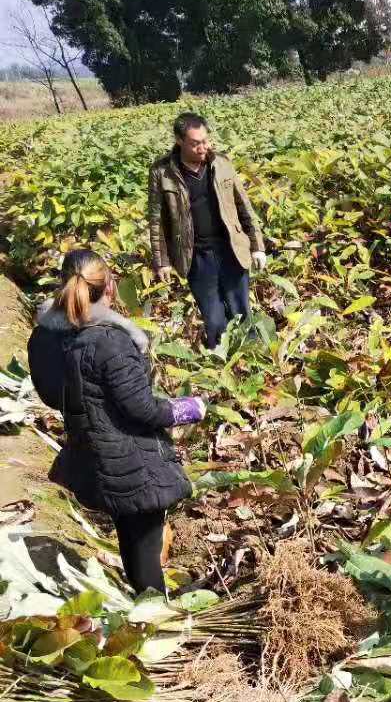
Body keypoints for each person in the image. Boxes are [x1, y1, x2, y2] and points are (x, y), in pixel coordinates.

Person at [38, 249, 205, 596]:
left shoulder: (44, 338)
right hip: (130, 457)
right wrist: (188, 408)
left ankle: (145, 605)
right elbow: (142, 409)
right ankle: (153, 616)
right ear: (109, 287)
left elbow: (53, 396)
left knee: (129, 532)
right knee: (144, 540)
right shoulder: (110, 341)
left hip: (93, 454)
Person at [148, 112, 267, 349]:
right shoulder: (162, 173)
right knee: (213, 319)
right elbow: (156, 221)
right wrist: (162, 262)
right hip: (196, 257)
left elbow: (244, 207)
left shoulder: (221, 163)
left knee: (242, 310)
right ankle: (221, 364)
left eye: (205, 140)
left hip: (231, 249)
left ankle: (252, 358)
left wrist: (257, 246)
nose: (203, 147)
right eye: (195, 143)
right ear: (179, 141)